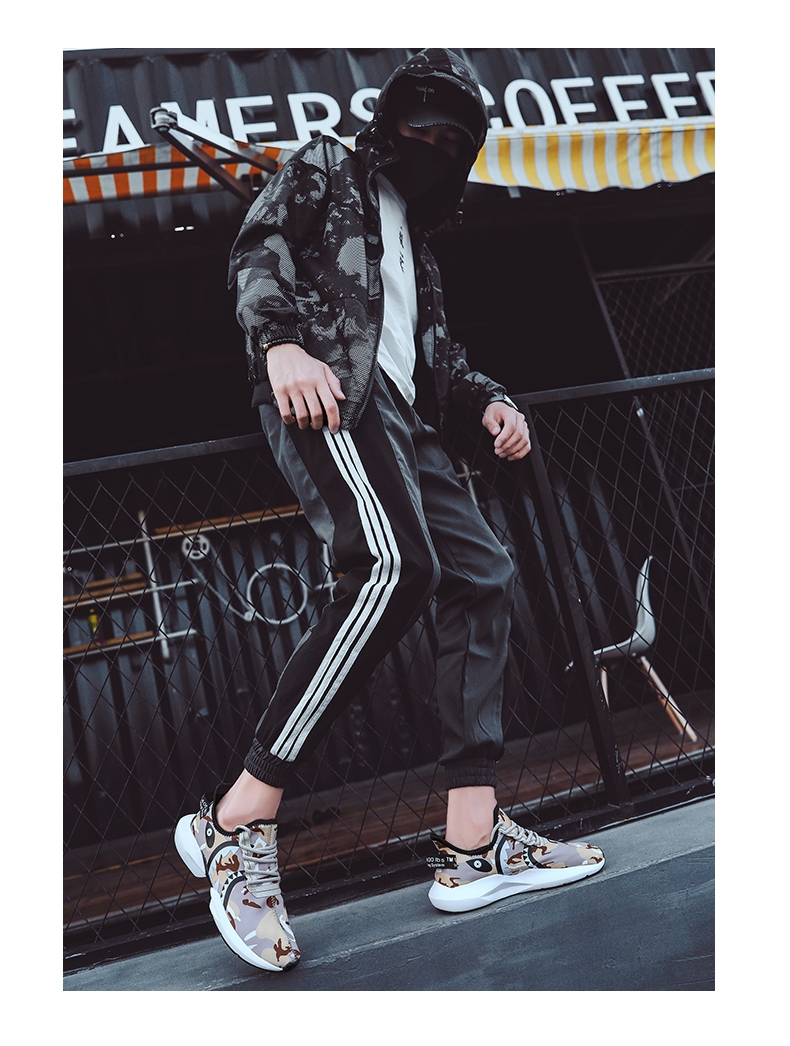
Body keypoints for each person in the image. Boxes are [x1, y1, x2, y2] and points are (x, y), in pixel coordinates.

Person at [174, 48, 605, 974]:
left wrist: (490, 401)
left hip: (409, 423)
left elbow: (435, 357)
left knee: (482, 573)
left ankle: (472, 842)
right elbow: (258, 245)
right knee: (393, 566)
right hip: (331, 393)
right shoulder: (329, 165)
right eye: (422, 124)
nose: (434, 143)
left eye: (454, 137)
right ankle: (236, 816)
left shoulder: (420, 243)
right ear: (389, 120)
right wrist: (280, 344)